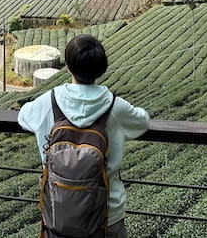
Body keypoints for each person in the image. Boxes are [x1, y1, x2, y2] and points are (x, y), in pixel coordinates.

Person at [18, 35, 150, 237]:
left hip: (58, 211)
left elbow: (23, 116)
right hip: (106, 213)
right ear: (102, 69)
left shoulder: (49, 101)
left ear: (68, 67)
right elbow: (143, 121)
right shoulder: (115, 106)